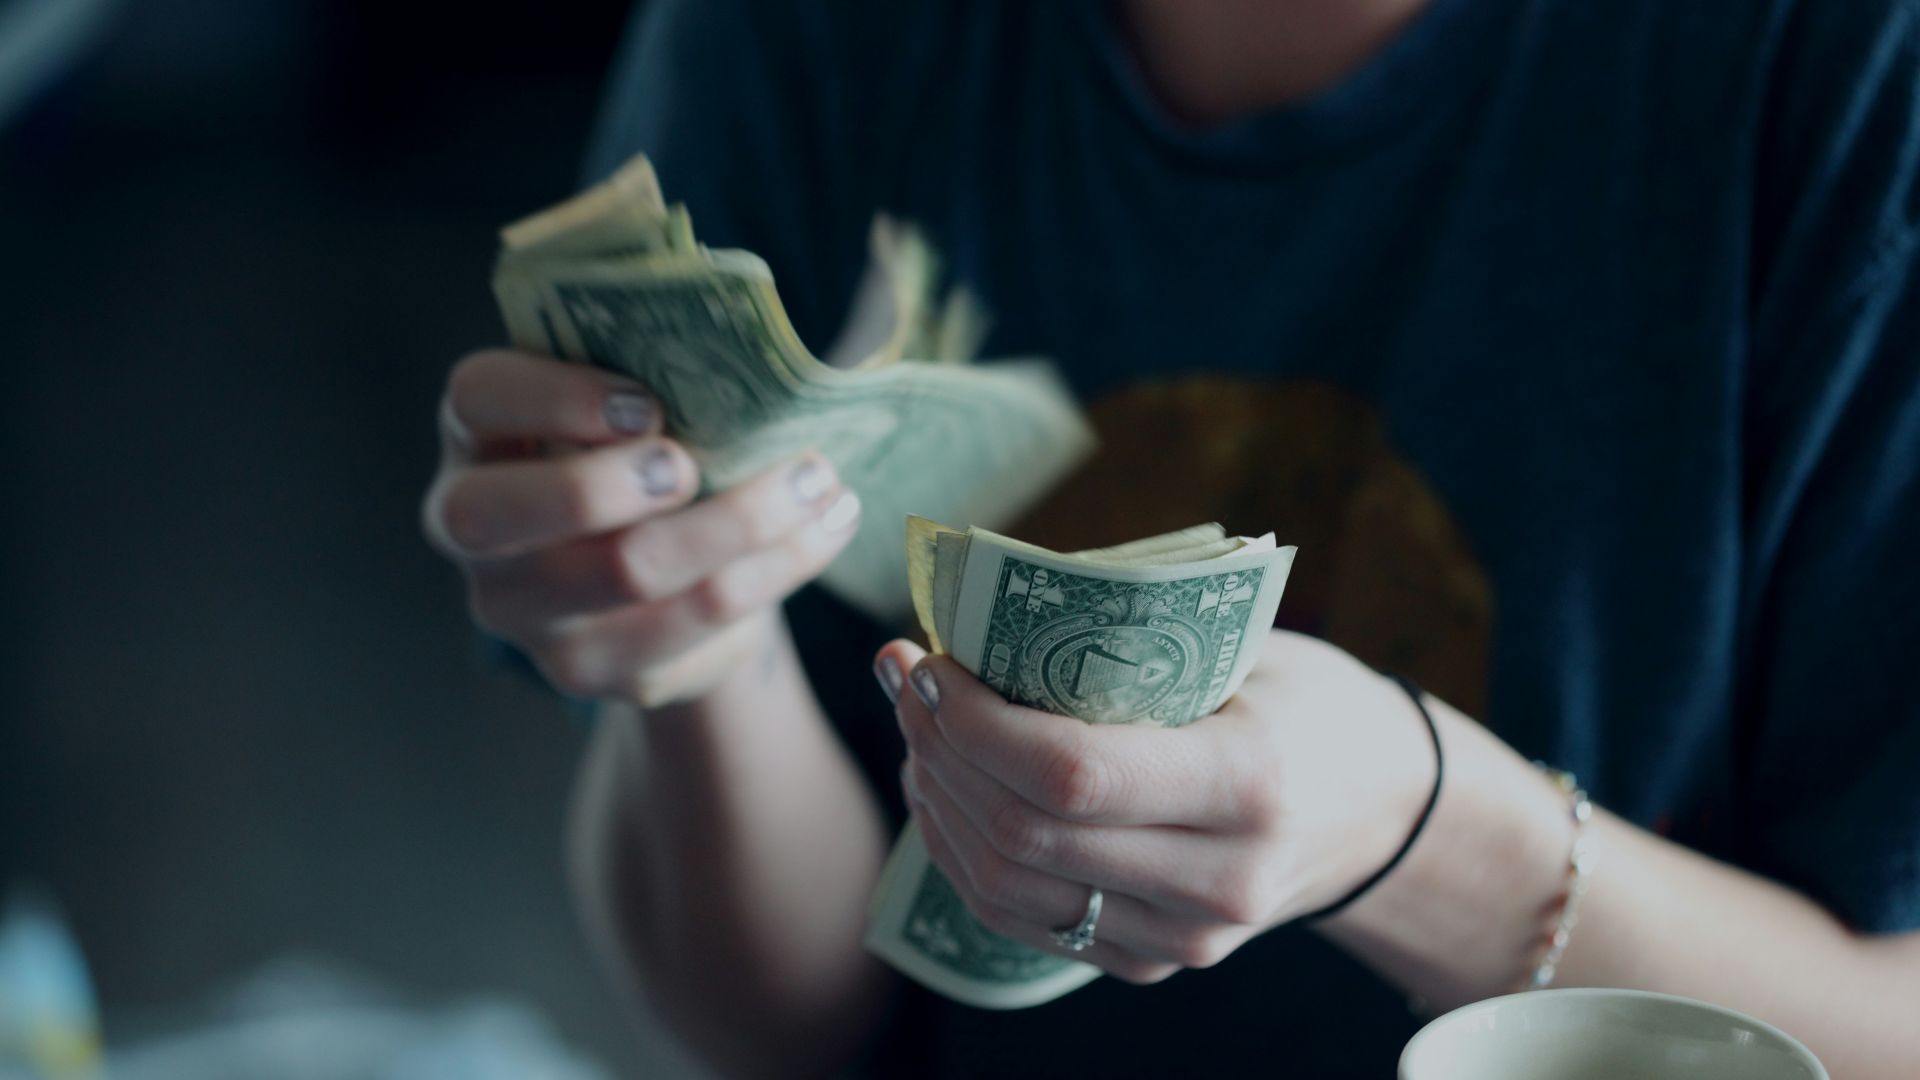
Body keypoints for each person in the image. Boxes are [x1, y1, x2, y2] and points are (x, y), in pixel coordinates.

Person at [421, 1, 1920, 1076]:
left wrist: (1425, 835)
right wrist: (697, 659)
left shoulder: (1853, 75)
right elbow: (790, 1030)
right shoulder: (799, 35)